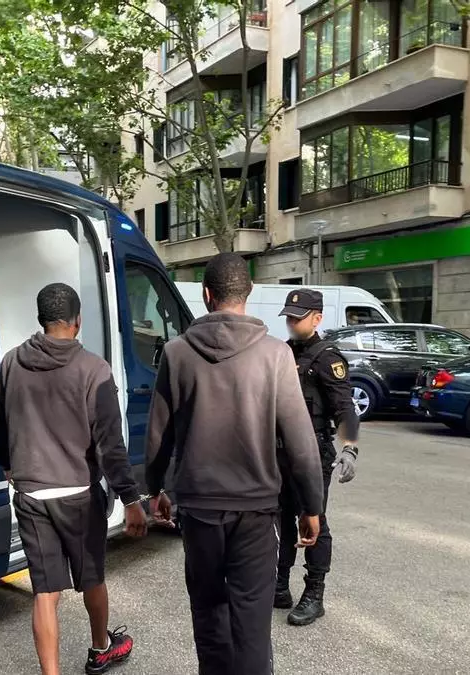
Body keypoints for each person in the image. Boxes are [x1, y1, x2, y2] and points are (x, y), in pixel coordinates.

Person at [146, 253, 324, 675]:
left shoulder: (176, 352)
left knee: (208, 614)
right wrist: (311, 507)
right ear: (249, 292)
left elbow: (158, 433)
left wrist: (154, 490)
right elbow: (300, 441)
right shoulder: (275, 354)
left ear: (206, 295)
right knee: (252, 622)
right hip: (255, 510)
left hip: (199, 508)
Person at [0, 282, 146, 675]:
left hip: (30, 494)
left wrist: (9, 464)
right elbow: (110, 445)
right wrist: (130, 498)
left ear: (42, 319)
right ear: (77, 321)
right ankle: (101, 649)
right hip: (78, 497)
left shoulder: (12, 362)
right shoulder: (93, 369)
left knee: (45, 591)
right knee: (92, 577)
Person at [275, 288, 360, 626]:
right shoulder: (281, 353)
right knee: (281, 519)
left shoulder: (327, 358)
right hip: (279, 451)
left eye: (298, 318)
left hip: (313, 453)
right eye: (289, 317)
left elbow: (345, 408)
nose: (292, 323)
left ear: (317, 318)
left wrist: (350, 447)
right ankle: (280, 586)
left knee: (314, 520)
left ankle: (314, 595)